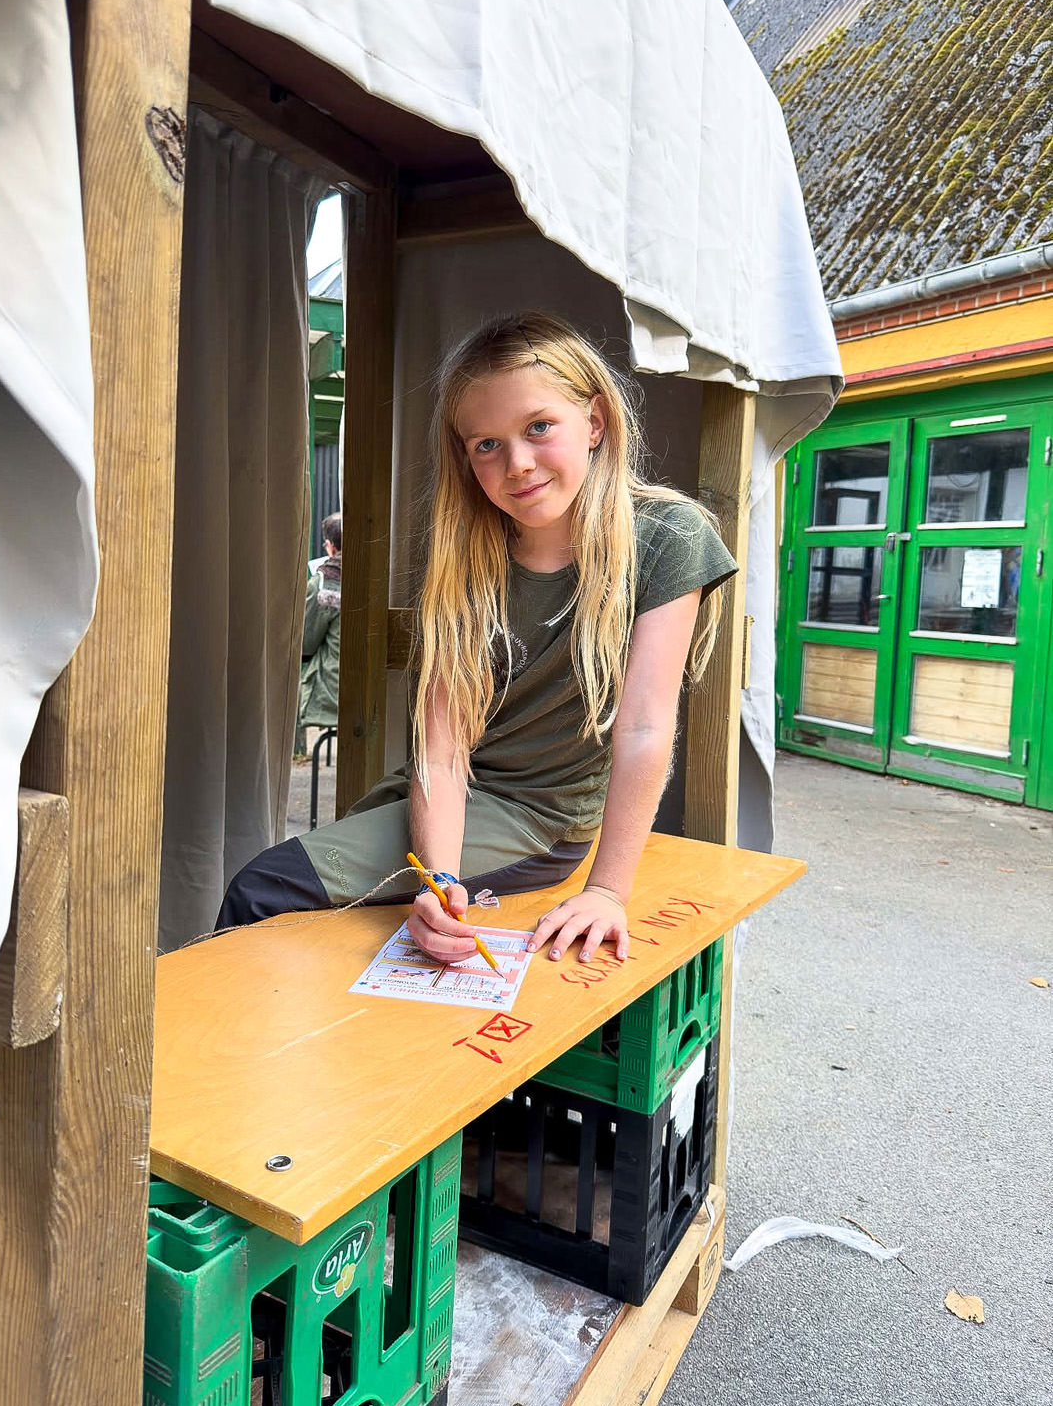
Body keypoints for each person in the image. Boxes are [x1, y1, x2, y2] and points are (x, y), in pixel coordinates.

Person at [219, 313, 737, 965]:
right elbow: (440, 750)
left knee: (261, 888)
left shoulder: (668, 535)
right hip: (447, 793)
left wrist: (607, 890)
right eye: (485, 445)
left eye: (538, 427)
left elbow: (642, 728)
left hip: (538, 820)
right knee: (315, 915)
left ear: (596, 423)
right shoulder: (467, 552)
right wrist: (439, 880)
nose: (516, 463)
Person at [295, 511, 342, 758]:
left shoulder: (324, 583)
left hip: (332, 691)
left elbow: (306, 643)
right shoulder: (376, 575)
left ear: (331, 547)